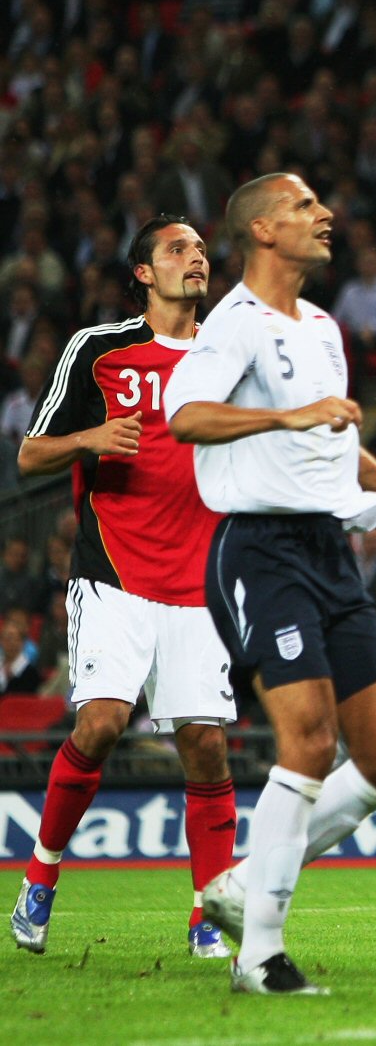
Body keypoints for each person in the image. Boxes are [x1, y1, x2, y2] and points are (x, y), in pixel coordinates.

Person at [162, 173, 376, 995]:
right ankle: (259, 956)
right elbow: (185, 415)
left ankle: (242, 884)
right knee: (306, 740)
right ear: (263, 231)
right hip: (260, 549)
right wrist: (283, 416)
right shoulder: (235, 322)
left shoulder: (323, 328)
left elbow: (338, 443)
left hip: (331, 551)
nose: (325, 214)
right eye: (306, 206)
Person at [11, 216, 237, 960]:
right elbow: (29, 455)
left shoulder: (229, 353)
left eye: (202, 249)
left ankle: (208, 912)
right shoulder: (100, 350)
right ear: (143, 272)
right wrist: (90, 440)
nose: (195, 258)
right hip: (113, 576)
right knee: (102, 723)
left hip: (201, 584)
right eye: (178, 249)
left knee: (204, 745)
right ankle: (41, 875)